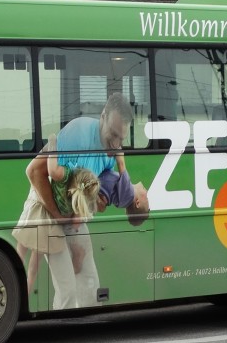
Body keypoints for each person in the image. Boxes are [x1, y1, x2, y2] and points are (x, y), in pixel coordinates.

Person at [23, 93, 150, 309]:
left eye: (122, 138)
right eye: (112, 135)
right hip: (49, 208)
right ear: (102, 117)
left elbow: (93, 189)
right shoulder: (77, 134)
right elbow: (34, 171)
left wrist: (95, 203)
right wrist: (58, 216)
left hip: (72, 213)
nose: (117, 145)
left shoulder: (112, 151)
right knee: (67, 289)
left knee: (90, 285)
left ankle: (84, 334)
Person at [13, 143, 101, 290]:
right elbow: (75, 223)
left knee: (20, 252)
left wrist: (54, 142)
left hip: (36, 209)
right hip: (47, 221)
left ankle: (14, 284)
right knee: (34, 266)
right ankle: (26, 293)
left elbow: (51, 169)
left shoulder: (64, 176)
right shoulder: (73, 202)